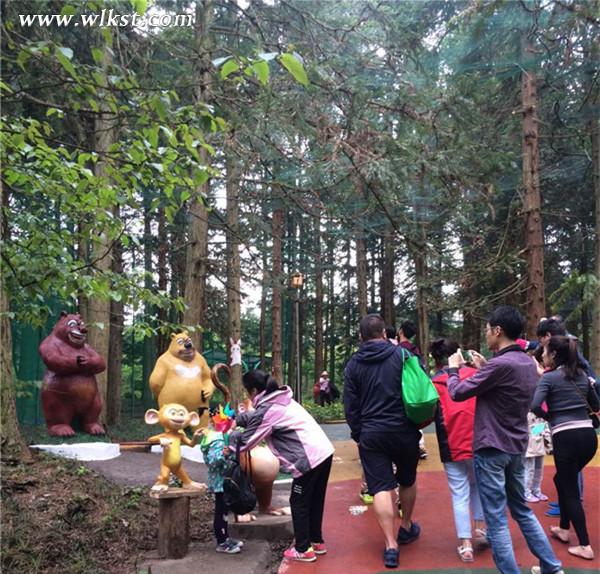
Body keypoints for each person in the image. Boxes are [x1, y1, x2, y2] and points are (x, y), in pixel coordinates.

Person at [447, 306, 563, 574]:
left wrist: (454, 370)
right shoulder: (525, 362)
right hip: (516, 447)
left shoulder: (500, 365)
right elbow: (505, 385)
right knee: (521, 510)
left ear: (498, 331)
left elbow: (457, 393)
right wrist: (484, 368)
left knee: (497, 520)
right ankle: (552, 566)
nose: (486, 334)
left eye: (488, 329)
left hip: (491, 449)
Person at [344, 314, 421, 569]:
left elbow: (350, 406)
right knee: (407, 480)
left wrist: (359, 433)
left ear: (360, 336)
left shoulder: (353, 364)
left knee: (379, 488)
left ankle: (390, 545)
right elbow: (418, 387)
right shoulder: (402, 355)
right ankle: (407, 526)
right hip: (404, 430)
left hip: (372, 434)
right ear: (384, 333)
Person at [234, 370, 334, 563]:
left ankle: (303, 549)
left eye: (247, 392)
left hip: (308, 460)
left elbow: (247, 442)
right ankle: (316, 541)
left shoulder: (269, 409)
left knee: (298, 501)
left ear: (254, 391)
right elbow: (258, 417)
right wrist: (238, 419)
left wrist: (229, 439)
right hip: (324, 453)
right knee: (315, 499)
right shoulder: (280, 398)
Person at [530, 336, 599, 561]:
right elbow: (596, 405)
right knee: (562, 480)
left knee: (568, 488)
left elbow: (534, 405)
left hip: (565, 438)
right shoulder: (581, 376)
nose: (542, 355)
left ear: (554, 355)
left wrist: (551, 417)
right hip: (588, 438)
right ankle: (563, 528)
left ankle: (585, 545)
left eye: (546, 351)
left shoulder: (549, 379)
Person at [429, 337, 488, 563]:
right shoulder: (475, 376)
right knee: (478, 486)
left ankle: (465, 545)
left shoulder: (434, 383)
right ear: (458, 354)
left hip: (450, 444)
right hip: (477, 441)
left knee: (459, 492)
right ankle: (481, 530)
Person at [199, 406, 244, 554]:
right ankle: (222, 542)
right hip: (220, 482)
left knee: (224, 511)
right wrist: (223, 455)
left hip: (223, 481)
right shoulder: (215, 438)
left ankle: (225, 537)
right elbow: (212, 462)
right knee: (221, 512)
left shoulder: (220, 436)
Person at [524, 411, 551, 503]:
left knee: (539, 469)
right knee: (529, 470)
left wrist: (548, 444)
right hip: (529, 446)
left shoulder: (541, 412)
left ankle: (536, 491)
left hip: (539, 445)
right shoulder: (525, 411)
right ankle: (526, 493)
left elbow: (544, 427)